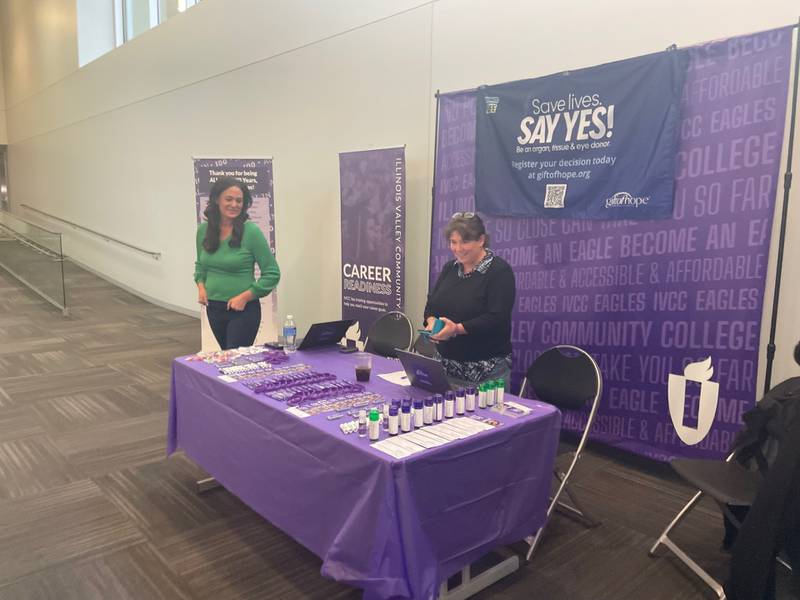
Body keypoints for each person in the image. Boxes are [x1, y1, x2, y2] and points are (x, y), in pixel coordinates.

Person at [423, 212, 516, 386]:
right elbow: (431, 306)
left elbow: (496, 318)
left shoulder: (499, 272)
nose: (458, 248)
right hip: (445, 370)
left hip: (486, 375)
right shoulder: (449, 268)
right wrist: (432, 324)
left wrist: (456, 329)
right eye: (453, 242)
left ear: (481, 240)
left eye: (465, 241)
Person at [194, 176, 280, 350]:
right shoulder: (204, 230)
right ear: (217, 199)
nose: (234, 204)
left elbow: (272, 273)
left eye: (239, 201)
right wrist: (201, 287)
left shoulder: (251, 232)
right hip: (214, 307)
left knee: (236, 359)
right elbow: (201, 266)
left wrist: (245, 297)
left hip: (243, 310)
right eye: (229, 199)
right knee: (226, 357)